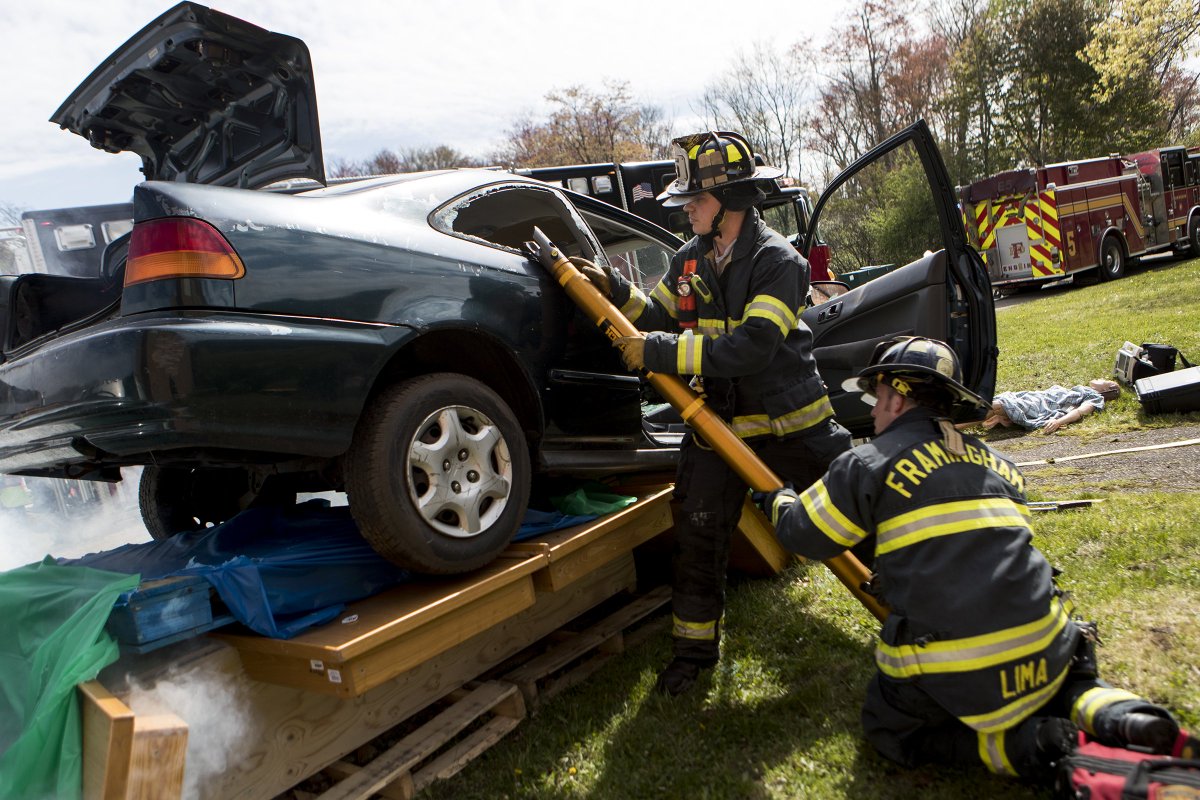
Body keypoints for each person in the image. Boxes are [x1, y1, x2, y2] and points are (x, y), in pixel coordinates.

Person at [758, 336, 1182, 780]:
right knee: (1071, 686)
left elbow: (803, 537)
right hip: (1051, 640)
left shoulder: (866, 464)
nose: (871, 412)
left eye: (877, 400)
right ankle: (1120, 714)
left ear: (898, 401)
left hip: (959, 667)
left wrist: (779, 499)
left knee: (891, 733)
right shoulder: (1000, 464)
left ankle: (1034, 747)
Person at [576, 130, 852, 695]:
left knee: (857, 517)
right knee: (697, 536)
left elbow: (751, 347)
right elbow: (656, 316)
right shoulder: (688, 260)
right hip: (717, 431)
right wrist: (611, 287)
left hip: (792, 427)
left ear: (733, 202)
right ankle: (692, 659)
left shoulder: (779, 262)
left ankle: (914, 609)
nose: (687, 209)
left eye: (696, 200)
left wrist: (661, 354)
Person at [984, 379, 1119, 435]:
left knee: (995, 406)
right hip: (1035, 397)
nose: (1101, 378)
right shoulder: (1083, 390)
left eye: (1105, 381)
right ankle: (963, 422)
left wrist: (1058, 421)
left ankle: (962, 423)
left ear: (1107, 389)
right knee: (990, 404)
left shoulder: (1094, 397)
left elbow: (1080, 412)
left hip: (1039, 406)